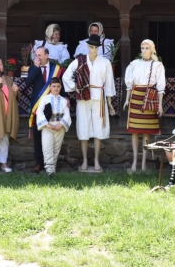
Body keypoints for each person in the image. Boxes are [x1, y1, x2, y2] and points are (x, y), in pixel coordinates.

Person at [64, 34, 116, 171]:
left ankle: (97, 161)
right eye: (91, 47)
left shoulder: (105, 62)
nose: (93, 50)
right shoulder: (79, 61)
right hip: (83, 97)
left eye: (96, 47)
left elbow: (109, 83)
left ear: (99, 48)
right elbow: (66, 76)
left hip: (99, 97)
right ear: (87, 47)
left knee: (98, 128)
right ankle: (85, 161)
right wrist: (76, 88)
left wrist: (109, 103)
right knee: (84, 127)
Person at [124, 39, 165, 172]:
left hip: (149, 98)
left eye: (147, 48)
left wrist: (160, 105)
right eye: (142, 48)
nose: (144, 50)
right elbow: (129, 85)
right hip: (135, 97)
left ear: (152, 49)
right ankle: (134, 163)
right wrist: (127, 100)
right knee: (135, 132)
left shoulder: (158, 65)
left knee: (146, 132)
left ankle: (143, 163)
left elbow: (160, 88)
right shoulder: (133, 64)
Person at [23, 46, 65, 173]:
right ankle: (39, 163)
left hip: (54, 104)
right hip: (38, 105)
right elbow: (27, 83)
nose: (37, 58)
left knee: (53, 133)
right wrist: (35, 68)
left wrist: (67, 99)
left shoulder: (56, 69)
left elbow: (62, 85)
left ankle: (52, 163)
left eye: (40, 55)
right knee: (38, 134)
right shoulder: (33, 68)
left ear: (47, 55)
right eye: (36, 55)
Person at [36, 77, 72, 177]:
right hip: (48, 126)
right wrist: (46, 124)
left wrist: (61, 124)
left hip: (59, 126)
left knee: (56, 147)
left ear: (61, 87)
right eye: (54, 86)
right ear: (50, 87)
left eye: (58, 86)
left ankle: (53, 166)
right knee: (47, 147)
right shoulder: (45, 99)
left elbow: (67, 114)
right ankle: (49, 169)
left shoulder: (64, 100)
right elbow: (39, 112)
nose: (56, 88)